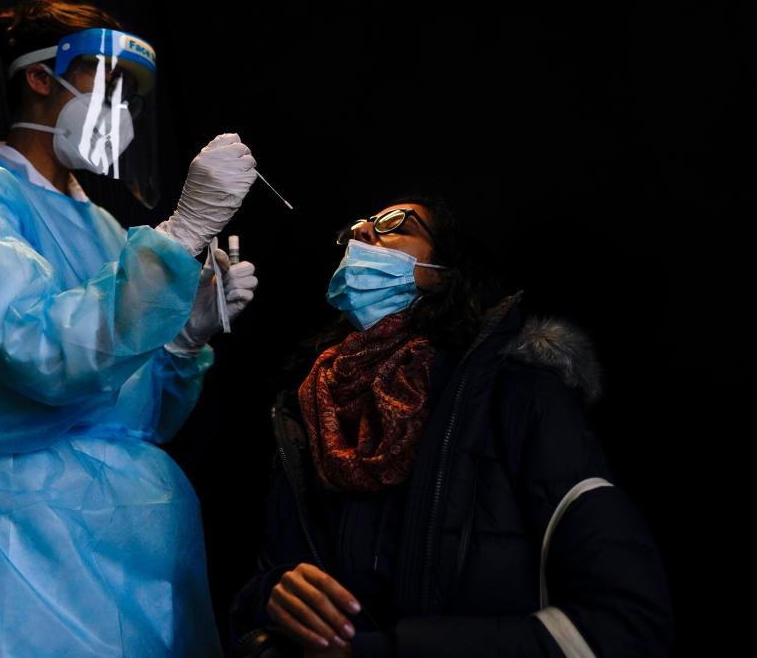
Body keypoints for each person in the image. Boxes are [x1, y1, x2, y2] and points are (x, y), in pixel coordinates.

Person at [0, 0, 258, 657]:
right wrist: (181, 236)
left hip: (143, 524)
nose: (120, 104)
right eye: (105, 80)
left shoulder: (108, 226)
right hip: (26, 526)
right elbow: (41, 353)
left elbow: (142, 410)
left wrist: (181, 340)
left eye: (129, 91)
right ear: (38, 76)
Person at [229, 197, 674, 657]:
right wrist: (271, 597)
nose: (361, 234)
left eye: (393, 224)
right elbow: (258, 590)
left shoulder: (516, 395)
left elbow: (628, 625)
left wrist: (388, 651)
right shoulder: (310, 413)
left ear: (441, 268)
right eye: (358, 228)